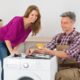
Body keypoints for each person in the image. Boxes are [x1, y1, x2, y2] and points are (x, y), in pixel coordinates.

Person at [27, 11, 80, 80]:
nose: (62, 25)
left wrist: (50, 52)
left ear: (72, 23)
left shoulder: (78, 37)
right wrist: (34, 50)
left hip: (75, 69)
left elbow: (67, 54)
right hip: (60, 67)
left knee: (60, 75)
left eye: (65, 23)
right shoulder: (58, 37)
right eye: (61, 22)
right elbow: (46, 49)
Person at [0, 5, 41, 80]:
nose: (34, 17)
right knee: (6, 63)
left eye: (36, 16)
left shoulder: (30, 27)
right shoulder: (17, 20)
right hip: (1, 41)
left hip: (9, 43)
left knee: (12, 63)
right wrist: (11, 51)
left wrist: (15, 50)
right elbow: (7, 38)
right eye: (32, 14)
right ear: (28, 13)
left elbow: (20, 40)